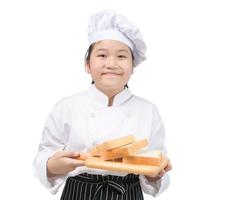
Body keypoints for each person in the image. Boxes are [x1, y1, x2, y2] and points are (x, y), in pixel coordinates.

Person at [34, 9, 172, 200]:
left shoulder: (148, 111)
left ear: (133, 67)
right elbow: (44, 154)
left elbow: (157, 163)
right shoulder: (67, 107)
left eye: (122, 56)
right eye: (102, 55)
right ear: (87, 64)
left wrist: (156, 173)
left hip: (127, 194)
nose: (112, 63)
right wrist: (51, 166)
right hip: (78, 193)